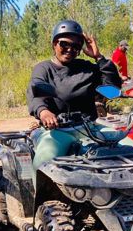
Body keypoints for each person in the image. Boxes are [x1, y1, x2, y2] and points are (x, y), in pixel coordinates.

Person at [27, 19, 122, 173]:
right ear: (54, 43)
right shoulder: (44, 68)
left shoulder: (86, 68)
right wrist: (43, 111)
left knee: (132, 149)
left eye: (76, 46)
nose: (70, 49)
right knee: (43, 163)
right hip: (57, 131)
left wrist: (99, 58)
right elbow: (36, 92)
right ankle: (36, 196)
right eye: (64, 44)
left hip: (90, 128)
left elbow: (112, 90)